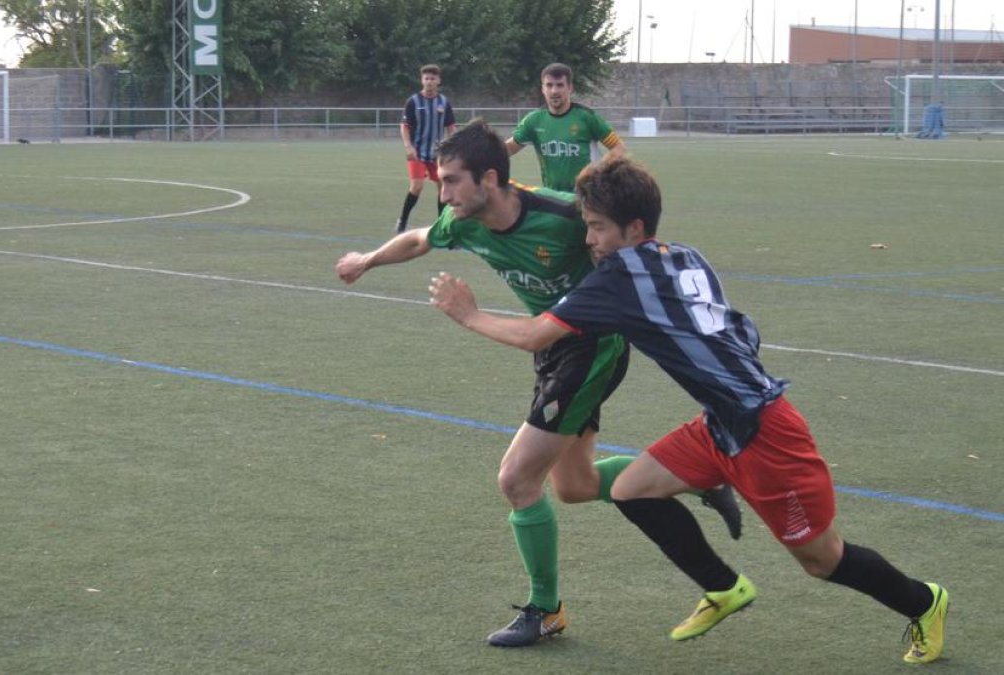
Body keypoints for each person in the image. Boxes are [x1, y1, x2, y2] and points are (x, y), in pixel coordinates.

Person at [428, 157, 949, 664]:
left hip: (766, 434)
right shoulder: (684, 254)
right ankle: (723, 588)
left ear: (634, 228)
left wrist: (468, 314)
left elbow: (535, 334)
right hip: (720, 423)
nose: (588, 239)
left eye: (598, 227)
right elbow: (734, 327)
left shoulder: (619, 278)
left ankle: (925, 602)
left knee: (822, 559)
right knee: (631, 488)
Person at [337, 120, 740, 648]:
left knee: (517, 479)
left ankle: (546, 610)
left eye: (452, 181)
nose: (444, 194)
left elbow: (627, 239)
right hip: (554, 350)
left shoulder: (563, 215)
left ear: (489, 178)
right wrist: (366, 260)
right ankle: (701, 477)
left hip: (591, 349)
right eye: (440, 181)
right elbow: (419, 239)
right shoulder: (464, 221)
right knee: (574, 486)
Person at [505, 63, 626, 192]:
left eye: (560, 85)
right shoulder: (534, 120)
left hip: (585, 196)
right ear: (543, 89)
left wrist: (599, 171)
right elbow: (508, 148)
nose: (554, 91)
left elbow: (618, 147)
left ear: (570, 88)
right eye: (549, 85)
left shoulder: (587, 117)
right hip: (553, 197)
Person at [396, 64, 455, 233]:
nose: (429, 81)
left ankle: (441, 224)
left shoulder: (444, 102)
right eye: (426, 78)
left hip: (437, 154)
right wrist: (408, 146)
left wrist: (451, 145)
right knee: (416, 186)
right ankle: (403, 221)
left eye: (432, 78)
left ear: (438, 81)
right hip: (417, 153)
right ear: (422, 80)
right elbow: (404, 126)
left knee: (443, 188)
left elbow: (451, 126)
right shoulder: (413, 101)